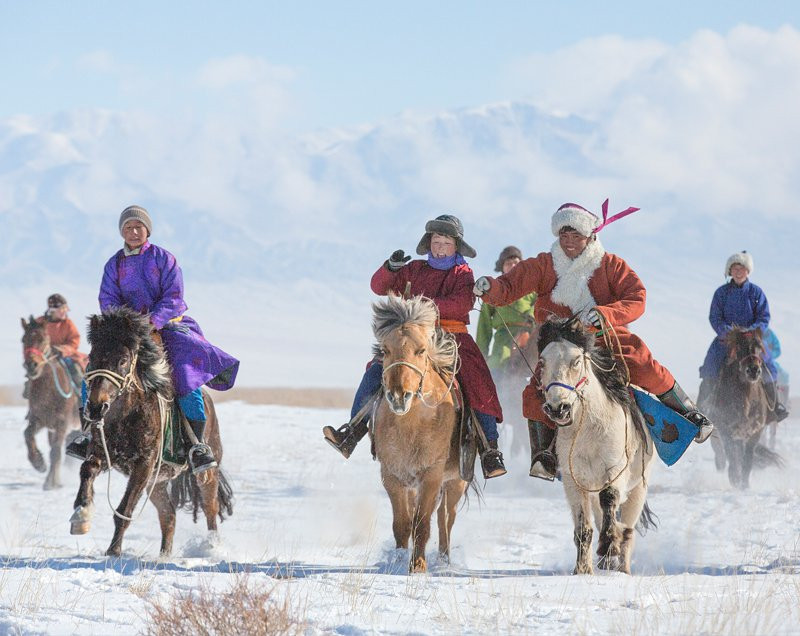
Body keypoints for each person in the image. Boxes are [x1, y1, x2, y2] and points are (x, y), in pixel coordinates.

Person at [473, 201, 714, 480]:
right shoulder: (543, 264)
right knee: (536, 389)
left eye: (576, 236)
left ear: (590, 236)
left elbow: (637, 296)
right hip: (559, 341)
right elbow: (510, 286)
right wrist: (491, 288)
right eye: (564, 236)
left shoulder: (610, 264)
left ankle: (688, 414)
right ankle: (544, 456)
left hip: (603, 335)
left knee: (641, 362)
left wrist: (607, 313)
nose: (569, 242)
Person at [322, 214, 507, 479]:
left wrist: (422, 308)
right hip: (410, 337)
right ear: (428, 242)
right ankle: (352, 431)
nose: (439, 247)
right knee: (377, 369)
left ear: (456, 246)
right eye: (435, 241)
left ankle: (490, 448)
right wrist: (391, 268)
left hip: (450, 337)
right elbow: (378, 287)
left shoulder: (463, 273)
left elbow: (461, 304)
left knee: (477, 380)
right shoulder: (414, 269)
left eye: (445, 242)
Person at [66, 205, 240, 474]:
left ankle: (197, 445)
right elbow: (107, 299)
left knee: (184, 373)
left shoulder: (164, 259)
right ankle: (87, 433)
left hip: (166, 327)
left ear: (147, 230)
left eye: (138, 227)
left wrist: (152, 321)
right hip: (127, 332)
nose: (133, 232)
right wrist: (127, 323)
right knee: (95, 371)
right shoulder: (114, 264)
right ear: (121, 232)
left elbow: (174, 296)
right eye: (127, 228)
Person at [697, 251, 788, 422]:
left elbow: (764, 316)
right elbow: (715, 317)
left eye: (742, 268)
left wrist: (752, 331)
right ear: (729, 271)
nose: (738, 271)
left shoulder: (756, 292)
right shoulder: (721, 293)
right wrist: (728, 332)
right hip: (726, 340)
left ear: (748, 271)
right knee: (711, 365)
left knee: (769, 365)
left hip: (752, 340)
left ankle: (774, 406)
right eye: (735, 268)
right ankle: (702, 408)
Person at [476, 246, 537, 373]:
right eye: (509, 263)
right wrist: (480, 358)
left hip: (527, 338)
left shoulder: (532, 288)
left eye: (516, 263)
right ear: (502, 268)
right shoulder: (493, 292)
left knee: (533, 372)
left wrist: (531, 315)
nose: (513, 266)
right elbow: (484, 328)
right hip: (502, 340)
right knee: (495, 372)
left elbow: (541, 304)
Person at [23, 294, 88, 399]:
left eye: (65, 308)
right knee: (34, 369)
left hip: (64, 355)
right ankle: (31, 397)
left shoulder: (68, 324)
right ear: (53, 310)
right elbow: (32, 338)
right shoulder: (40, 321)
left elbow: (74, 341)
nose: (65, 311)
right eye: (62, 309)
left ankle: (81, 394)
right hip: (43, 356)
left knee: (74, 367)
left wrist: (62, 350)